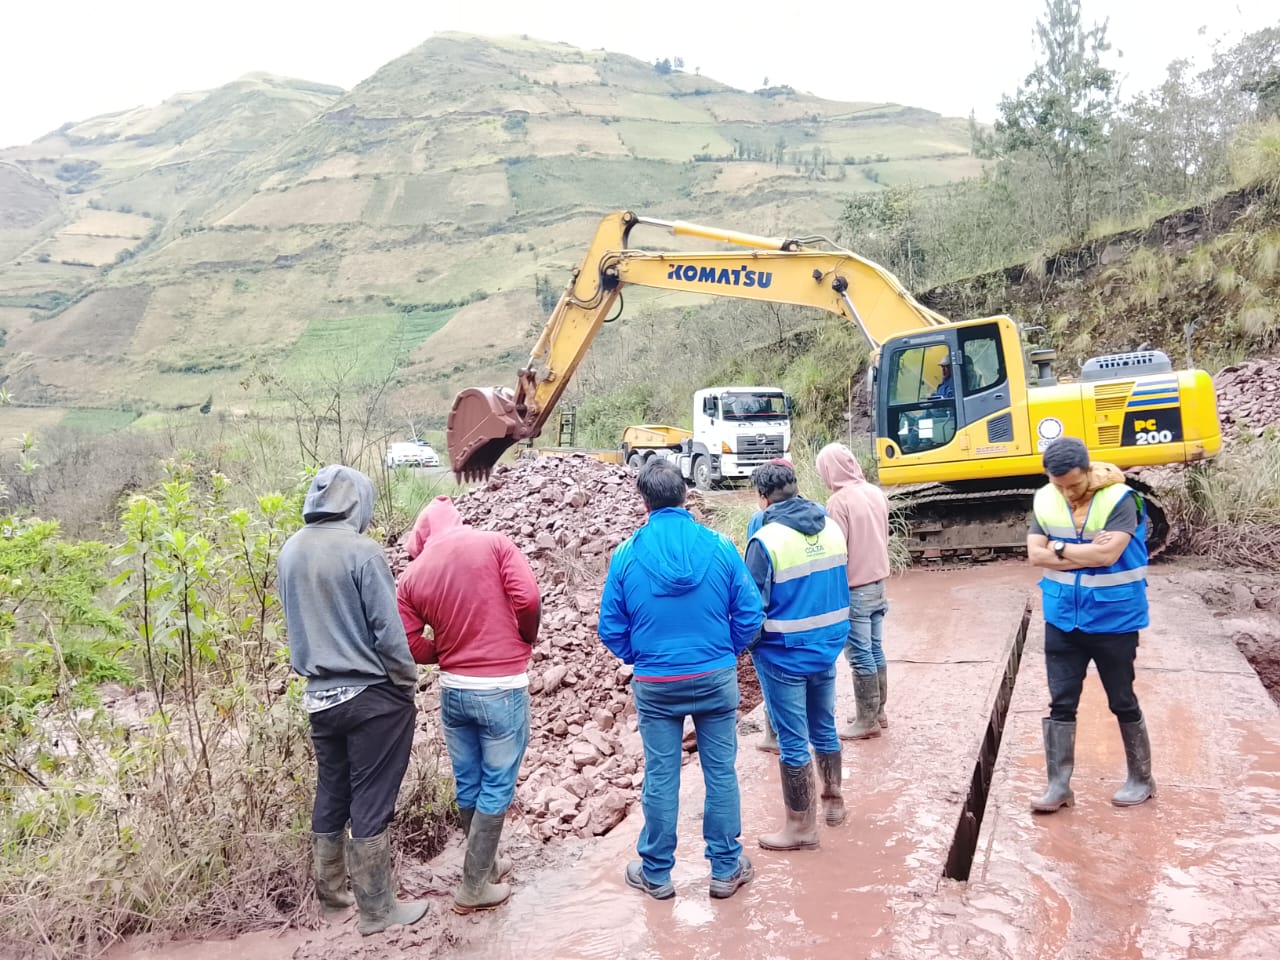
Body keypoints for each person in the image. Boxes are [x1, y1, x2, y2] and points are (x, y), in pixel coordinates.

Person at [598, 459, 763, 901]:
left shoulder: (626, 554)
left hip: (656, 684)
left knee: (661, 775)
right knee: (720, 772)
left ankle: (656, 873)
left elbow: (610, 628)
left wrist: (642, 657)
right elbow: (751, 613)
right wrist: (725, 651)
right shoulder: (719, 546)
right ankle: (725, 868)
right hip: (714, 677)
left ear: (644, 501)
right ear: (686, 495)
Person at [277, 465, 427, 937]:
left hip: (320, 698)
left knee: (333, 790)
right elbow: (388, 631)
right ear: (358, 502)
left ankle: (332, 898)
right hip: (372, 696)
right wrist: (406, 683)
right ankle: (377, 911)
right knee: (371, 798)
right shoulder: (362, 551)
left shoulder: (290, 550)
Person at [396, 496, 541, 913]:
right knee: (497, 783)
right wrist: (525, 637)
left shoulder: (411, 576)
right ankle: (474, 887)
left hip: (454, 693)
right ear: (457, 520)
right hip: (501, 688)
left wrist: (444, 653)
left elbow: (407, 641)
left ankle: (487, 866)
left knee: (469, 781)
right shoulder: (494, 543)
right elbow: (528, 599)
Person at [1026, 436, 1155, 813]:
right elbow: (1035, 555)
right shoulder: (1045, 498)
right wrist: (1079, 553)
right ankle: (1058, 786)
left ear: (1088, 471)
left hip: (1114, 618)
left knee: (1122, 699)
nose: (1067, 493)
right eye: (1059, 485)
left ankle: (1142, 778)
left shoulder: (1120, 499)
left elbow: (1107, 555)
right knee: (1061, 702)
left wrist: (1058, 549)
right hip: (1062, 618)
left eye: (1074, 484)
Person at [745, 460, 850, 850]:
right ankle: (834, 802)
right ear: (795, 487)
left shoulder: (766, 540)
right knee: (824, 726)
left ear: (763, 498)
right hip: (826, 648)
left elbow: (751, 607)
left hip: (784, 655)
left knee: (792, 740)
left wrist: (750, 644)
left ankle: (801, 827)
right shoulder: (831, 527)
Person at [816, 443, 892, 740]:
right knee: (875, 648)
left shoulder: (839, 502)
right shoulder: (875, 492)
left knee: (860, 655)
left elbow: (837, 551)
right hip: (878, 585)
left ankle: (866, 720)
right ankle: (877, 712)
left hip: (855, 589)